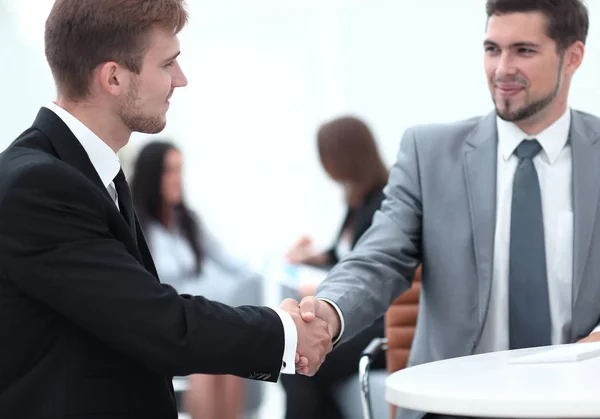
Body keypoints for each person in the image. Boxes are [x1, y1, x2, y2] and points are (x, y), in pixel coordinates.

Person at [0, 1, 331, 418]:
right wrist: (284, 332)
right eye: (168, 63)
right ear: (114, 77)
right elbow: (154, 323)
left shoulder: (84, 170)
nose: (182, 79)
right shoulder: (38, 185)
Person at [296, 1, 600, 418]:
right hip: (457, 406)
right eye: (492, 49)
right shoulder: (430, 154)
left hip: (581, 402)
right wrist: (330, 311)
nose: (502, 69)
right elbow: (378, 257)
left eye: (523, 51)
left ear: (573, 57)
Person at [131, 140, 261, 419]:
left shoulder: (188, 222)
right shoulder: (135, 225)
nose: (178, 179)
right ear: (152, 176)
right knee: (205, 362)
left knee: (231, 357)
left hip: (197, 319)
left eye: (180, 170)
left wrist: (280, 263)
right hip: (164, 326)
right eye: (169, 171)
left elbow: (231, 263)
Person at [282, 116, 388, 419]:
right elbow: (346, 255)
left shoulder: (383, 203)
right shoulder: (359, 200)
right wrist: (313, 258)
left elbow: (373, 269)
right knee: (300, 364)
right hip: (355, 319)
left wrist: (321, 289)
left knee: (299, 363)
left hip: (374, 325)